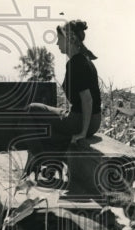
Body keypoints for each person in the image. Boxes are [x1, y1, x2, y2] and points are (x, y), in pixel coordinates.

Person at [22, 19, 102, 180]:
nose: (58, 43)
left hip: (82, 121)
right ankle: (48, 159)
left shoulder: (76, 63)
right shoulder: (83, 59)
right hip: (92, 120)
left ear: (70, 40)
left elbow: (87, 100)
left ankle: (41, 158)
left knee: (31, 110)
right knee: (45, 123)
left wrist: (82, 133)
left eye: (60, 39)